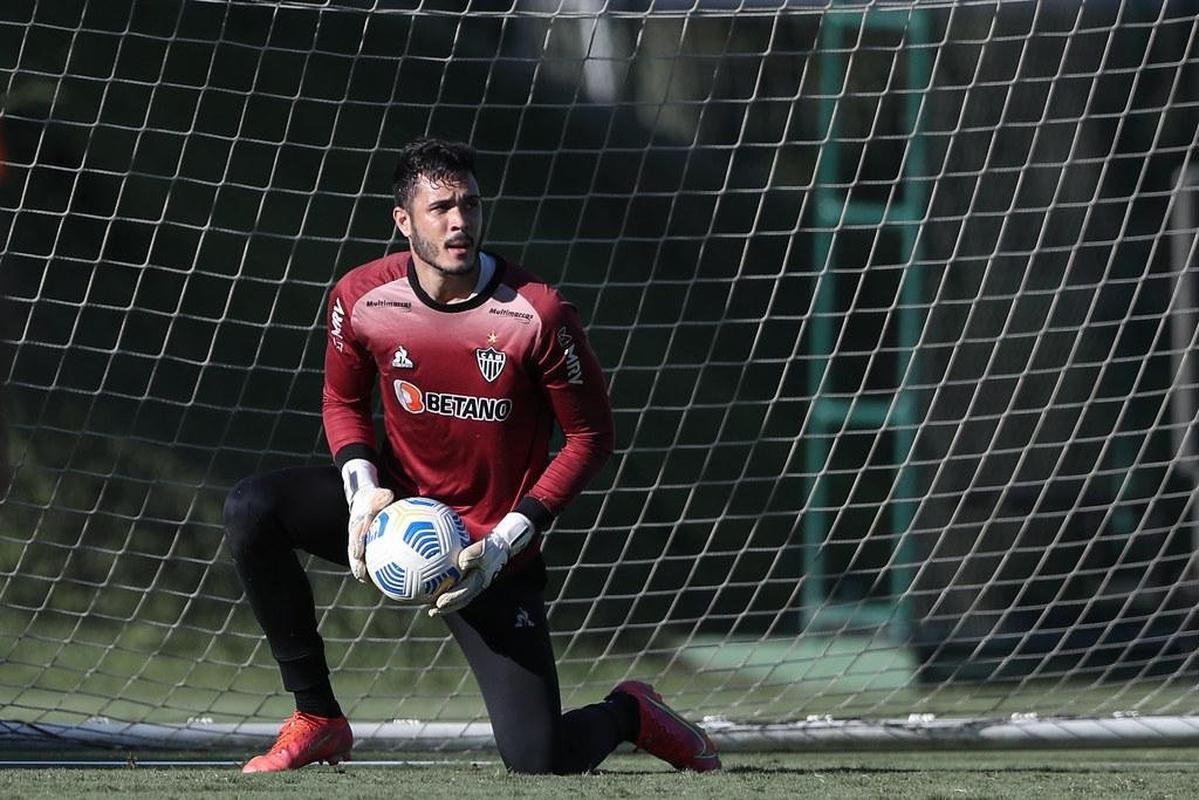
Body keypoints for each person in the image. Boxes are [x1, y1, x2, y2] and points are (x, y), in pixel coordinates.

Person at [223, 137, 721, 775]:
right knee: (252, 508)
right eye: (440, 208)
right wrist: (362, 489)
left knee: (539, 760)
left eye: (470, 204)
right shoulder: (361, 297)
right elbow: (341, 401)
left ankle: (631, 711)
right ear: (404, 220)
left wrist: (507, 540)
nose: (460, 221)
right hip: (397, 508)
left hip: (488, 549)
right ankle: (317, 717)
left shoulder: (536, 313)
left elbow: (591, 436)